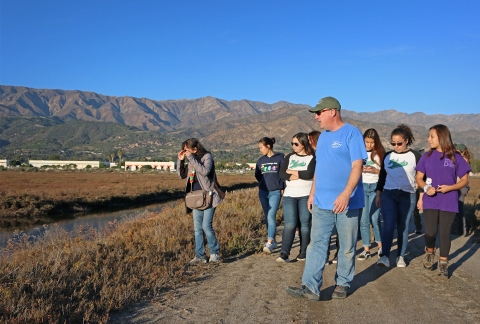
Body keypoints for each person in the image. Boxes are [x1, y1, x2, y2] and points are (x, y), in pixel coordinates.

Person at [286, 96, 366, 300]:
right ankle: (311, 286)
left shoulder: (352, 133)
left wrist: (346, 193)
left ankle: (342, 283)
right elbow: (319, 169)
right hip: (322, 201)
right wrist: (312, 193)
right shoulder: (322, 138)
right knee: (317, 243)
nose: (316, 118)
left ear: (332, 111)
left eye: (319, 113)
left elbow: (357, 166)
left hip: (347, 202)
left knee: (346, 245)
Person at [416, 126, 471, 277]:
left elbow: (465, 180)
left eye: (431, 136)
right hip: (431, 200)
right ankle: (429, 250)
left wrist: (450, 187)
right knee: (431, 231)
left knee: (445, 232)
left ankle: (443, 262)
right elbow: (418, 178)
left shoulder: (456, 157)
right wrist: (426, 188)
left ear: (441, 137)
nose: (428, 139)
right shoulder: (426, 157)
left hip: (449, 200)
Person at [376, 124, 421, 268]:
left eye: (399, 143)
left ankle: (400, 256)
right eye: (393, 143)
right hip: (388, 194)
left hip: (408, 195)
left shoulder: (415, 156)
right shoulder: (388, 156)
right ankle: (384, 257)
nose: (396, 146)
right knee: (388, 225)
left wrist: (422, 197)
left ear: (406, 140)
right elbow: (382, 177)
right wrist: (378, 195)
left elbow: (422, 177)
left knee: (403, 226)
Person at [177, 138, 224, 264]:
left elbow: (204, 171)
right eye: (184, 150)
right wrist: (180, 161)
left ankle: (214, 253)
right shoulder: (191, 161)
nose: (185, 153)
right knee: (197, 228)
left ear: (195, 149)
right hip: (195, 198)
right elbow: (181, 175)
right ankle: (200, 256)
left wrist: (191, 159)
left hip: (209, 197)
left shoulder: (207, 157)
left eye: (187, 150)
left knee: (206, 226)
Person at [277, 133, 316, 262]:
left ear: (304, 144)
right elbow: (282, 173)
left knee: (305, 224)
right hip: (289, 195)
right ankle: (284, 253)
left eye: (296, 144)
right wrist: (300, 174)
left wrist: (292, 172)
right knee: (290, 224)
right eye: (292, 143)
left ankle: (304, 251)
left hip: (305, 194)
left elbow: (309, 173)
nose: (293, 146)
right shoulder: (289, 157)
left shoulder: (312, 157)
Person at [357, 128, 385, 260]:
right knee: (363, 220)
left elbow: (385, 175)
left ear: (376, 142)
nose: (369, 145)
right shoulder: (359, 154)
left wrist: (375, 170)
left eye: (371, 142)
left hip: (375, 188)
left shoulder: (380, 154)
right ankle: (366, 249)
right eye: (366, 142)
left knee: (374, 218)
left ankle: (381, 246)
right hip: (362, 187)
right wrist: (360, 168)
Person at [255, 137, 285, 253]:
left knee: (271, 215)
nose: (260, 150)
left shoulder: (280, 158)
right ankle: (273, 240)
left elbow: (284, 174)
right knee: (267, 215)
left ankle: (270, 241)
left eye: (261, 147)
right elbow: (257, 175)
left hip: (275, 191)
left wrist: (283, 186)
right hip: (263, 192)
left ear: (268, 146)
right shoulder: (260, 161)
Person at [451, 143, 471, 236]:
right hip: (462, 187)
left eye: (457, 151)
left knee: (459, 208)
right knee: (459, 208)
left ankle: (462, 229)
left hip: (460, 187)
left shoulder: (462, 160)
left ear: (462, 152)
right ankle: (462, 229)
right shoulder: (466, 159)